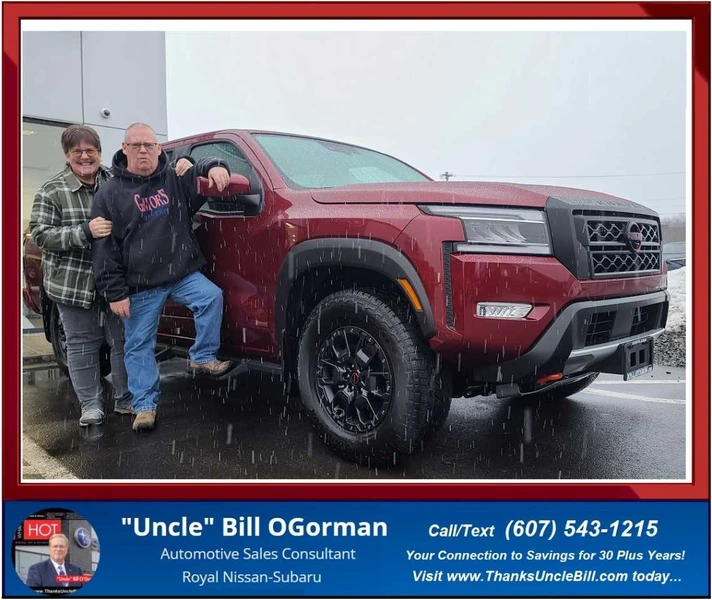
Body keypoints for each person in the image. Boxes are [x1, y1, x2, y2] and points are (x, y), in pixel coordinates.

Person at [91, 123, 234, 432]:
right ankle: (144, 406)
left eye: (149, 145)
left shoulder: (173, 178)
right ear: (125, 148)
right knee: (138, 344)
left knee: (211, 297)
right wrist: (115, 292)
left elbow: (200, 165)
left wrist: (216, 166)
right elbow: (105, 248)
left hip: (180, 273)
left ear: (158, 149)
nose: (144, 150)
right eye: (137, 145)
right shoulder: (109, 194)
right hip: (140, 284)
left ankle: (202, 357)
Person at [29, 125, 130, 426]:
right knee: (82, 345)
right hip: (73, 284)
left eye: (91, 151)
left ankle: (125, 400)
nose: (85, 157)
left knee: (124, 343)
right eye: (78, 152)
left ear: (99, 152)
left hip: (115, 282)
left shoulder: (116, 181)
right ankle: (91, 405)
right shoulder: (52, 190)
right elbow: (41, 234)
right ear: (67, 155)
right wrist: (84, 232)